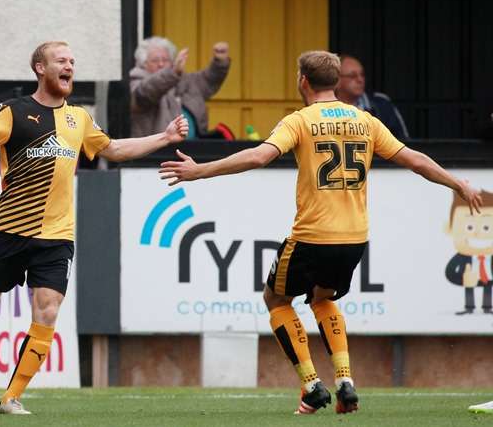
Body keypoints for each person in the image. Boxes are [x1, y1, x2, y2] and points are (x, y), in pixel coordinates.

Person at [159, 50, 482, 415]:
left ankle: (312, 386)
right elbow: (415, 159)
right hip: (354, 239)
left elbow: (257, 157)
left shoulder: (300, 120)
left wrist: (200, 171)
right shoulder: (366, 121)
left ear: (303, 81)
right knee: (323, 298)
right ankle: (345, 380)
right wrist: (457, 184)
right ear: (337, 81)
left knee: (276, 300)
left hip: (313, 236)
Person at [0, 41, 187, 415]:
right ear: (40, 68)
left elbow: (113, 149)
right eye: (61, 61)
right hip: (10, 232)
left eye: (72, 62)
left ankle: (11, 397)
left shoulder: (78, 119)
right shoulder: (13, 112)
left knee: (47, 310)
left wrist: (163, 138)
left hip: (57, 237)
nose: (69, 67)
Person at [130, 36, 230, 138]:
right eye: (155, 60)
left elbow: (208, 80)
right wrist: (172, 73)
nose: (161, 64)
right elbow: (146, 93)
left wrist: (219, 62)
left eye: (165, 60)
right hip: (157, 151)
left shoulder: (185, 80)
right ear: (143, 64)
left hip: (194, 149)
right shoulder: (137, 81)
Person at [336, 54, 409, 140]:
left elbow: (404, 142)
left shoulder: (381, 104)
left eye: (362, 74)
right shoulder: (322, 106)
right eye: (353, 76)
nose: (360, 80)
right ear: (337, 80)